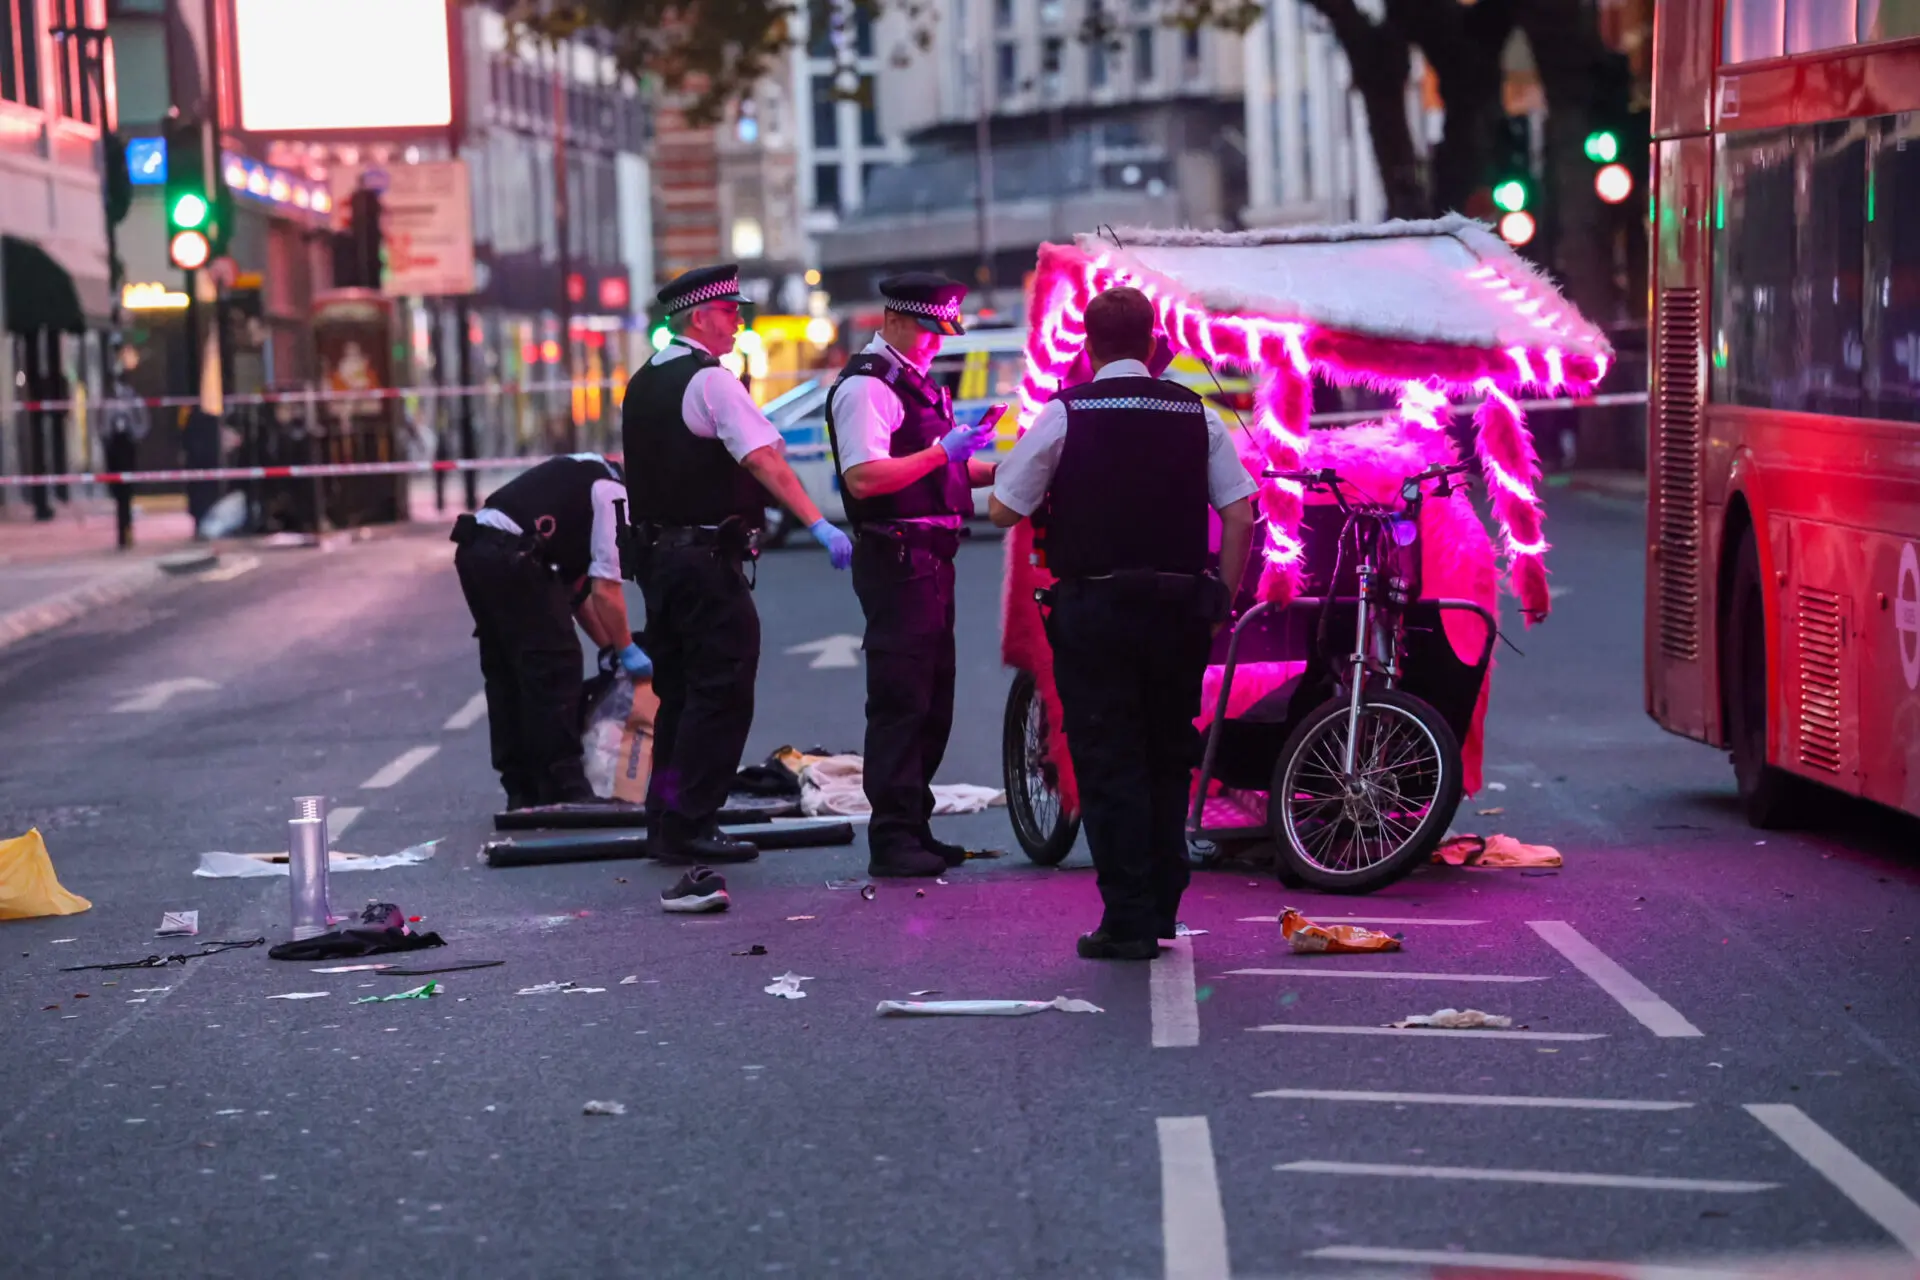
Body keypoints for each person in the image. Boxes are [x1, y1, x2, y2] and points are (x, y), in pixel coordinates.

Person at [989, 286, 1258, 960]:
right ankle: (1164, 905)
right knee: (1168, 756)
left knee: (1110, 760)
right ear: (1153, 344)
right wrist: (1219, 596)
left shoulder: (1065, 414)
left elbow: (1002, 510)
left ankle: (1128, 919)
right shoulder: (1195, 414)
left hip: (1096, 612)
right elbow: (1240, 513)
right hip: (1177, 611)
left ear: (1087, 345)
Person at [624, 263, 854, 866]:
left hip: (658, 562)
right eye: (729, 312)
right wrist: (820, 524)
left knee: (678, 698)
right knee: (721, 694)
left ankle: (667, 818)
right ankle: (693, 822)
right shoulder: (712, 381)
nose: (738, 321)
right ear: (699, 318)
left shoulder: (645, 380)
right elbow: (767, 461)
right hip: (703, 563)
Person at [826, 272, 1003, 878]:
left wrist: (993, 465)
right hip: (898, 558)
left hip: (931, 556)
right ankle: (893, 835)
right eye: (929, 331)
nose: (936, 343)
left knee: (933, 699)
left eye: (942, 332)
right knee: (902, 700)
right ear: (896, 321)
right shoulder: (868, 388)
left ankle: (914, 826)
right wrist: (942, 453)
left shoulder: (912, 382)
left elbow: (937, 471)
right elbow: (866, 478)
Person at [452, 452, 648, 812]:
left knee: (507, 671)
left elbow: (576, 595)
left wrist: (609, 649)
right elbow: (606, 590)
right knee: (555, 668)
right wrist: (626, 648)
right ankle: (565, 786)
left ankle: (522, 787)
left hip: (476, 549)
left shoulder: (584, 476)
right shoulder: (614, 495)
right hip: (513, 555)